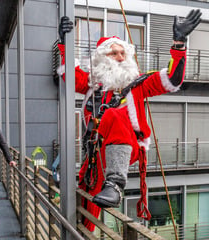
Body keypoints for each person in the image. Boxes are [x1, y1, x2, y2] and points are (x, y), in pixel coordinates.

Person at [57, 9, 201, 231]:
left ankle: (115, 184)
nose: (121, 57)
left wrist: (179, 43)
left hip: (129, 145)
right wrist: (64, 42)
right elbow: (68, 73)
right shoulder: (91, 85)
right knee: (88, 202)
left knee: (114, 114)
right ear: (101, 58)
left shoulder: (139, 85)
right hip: (97, 152)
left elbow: (173, 79)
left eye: (123, 53)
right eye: (114, 53)